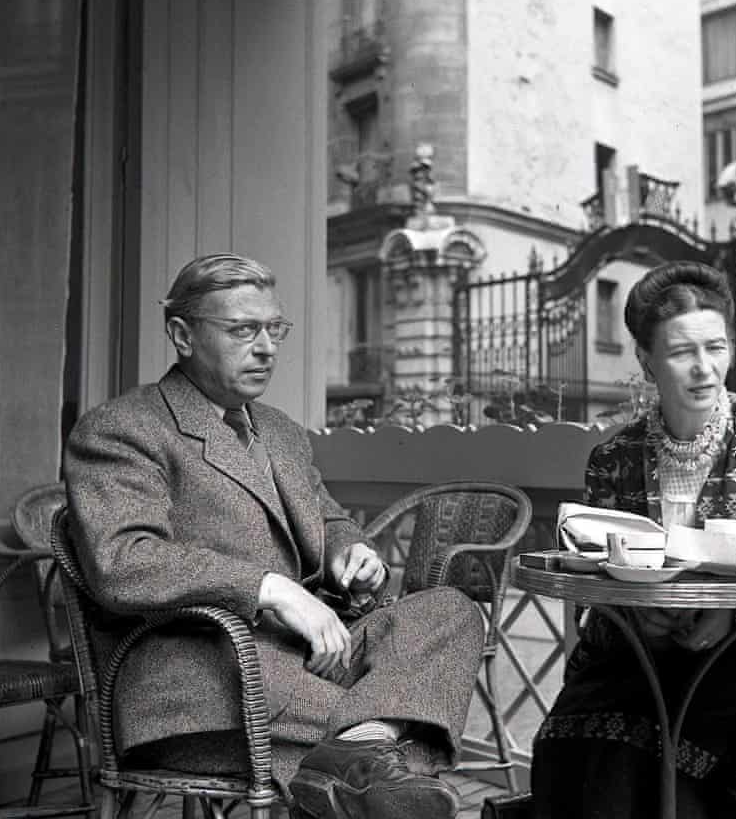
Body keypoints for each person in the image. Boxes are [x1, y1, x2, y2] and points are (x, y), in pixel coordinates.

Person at [64, 253, 483, 819]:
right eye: (242, 330)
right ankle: (372, 758)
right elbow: (123, 562)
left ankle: (360, 754)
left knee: (451, 609)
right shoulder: (123, 428)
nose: (266, 347)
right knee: (414, 724)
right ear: (182, 334)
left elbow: (329, 518)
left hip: (314, 652)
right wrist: (274, 589)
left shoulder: (280, 430)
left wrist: (350, 553)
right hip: (209, 673)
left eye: (273, 329)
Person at [531, 260, 736, 818]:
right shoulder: (613, 459)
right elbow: (596, 591)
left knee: (675, 749)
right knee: (574, 736)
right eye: (683, 352)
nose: (705, 369)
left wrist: (729, 614)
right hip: (637, 659)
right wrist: (638, 617)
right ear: (646, 360)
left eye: (717, 347)